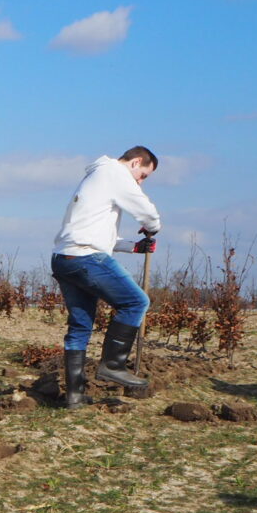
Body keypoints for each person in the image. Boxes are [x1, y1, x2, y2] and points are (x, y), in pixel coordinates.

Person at [50, 146, 162, 407]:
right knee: (136, 302)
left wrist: (133, 246)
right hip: (85, 257)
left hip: (64, 258)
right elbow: (146, 212)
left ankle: (75, 396)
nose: (140, 181)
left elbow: (95, 233)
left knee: (80, 326)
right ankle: (113, 364)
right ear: (135, 163)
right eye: (144, 175)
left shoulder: (95, 177)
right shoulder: (115, 173)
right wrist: (153, 226)